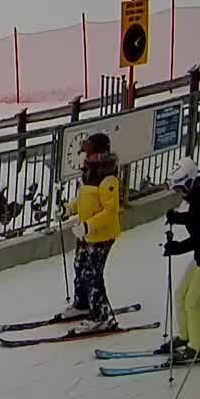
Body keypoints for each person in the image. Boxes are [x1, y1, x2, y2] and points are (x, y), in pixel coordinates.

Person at [161, 158, 200, 362]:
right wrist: (177, 218)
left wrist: (176, 247)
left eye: (180, 188)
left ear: (189, 183)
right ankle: (186, 336)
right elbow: (193, 220)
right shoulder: (198, 196)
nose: (179, 193)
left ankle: (199, 346)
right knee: (180, 294)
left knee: (191, 301)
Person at [65, 134, 123, 335]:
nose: (85, 158)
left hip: (101, 236)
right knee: (80, 267)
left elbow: (110, 211)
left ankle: (101, 315)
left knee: (93, 274)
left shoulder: (108, 178)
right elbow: (83, 199)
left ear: (100, 155)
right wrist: (69, 209)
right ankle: (81, 304)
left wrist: (88, 226)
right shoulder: (88, 173)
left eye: (89, 153)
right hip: (85, 234)